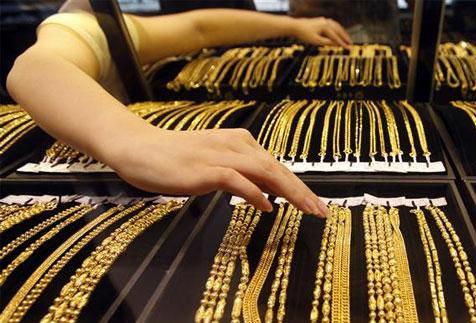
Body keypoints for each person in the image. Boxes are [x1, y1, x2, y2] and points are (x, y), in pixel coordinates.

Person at [7, 0, 353, 217]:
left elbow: (197, 27)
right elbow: (35, 67)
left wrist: (295, 27)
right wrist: (135, 141)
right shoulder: (80, 21)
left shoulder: (113, 23)